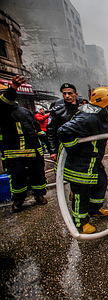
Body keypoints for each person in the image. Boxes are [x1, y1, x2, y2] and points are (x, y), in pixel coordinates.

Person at [57, 87, 108, 234]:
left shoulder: (101, 115)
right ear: (104, 105)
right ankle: (81, 222)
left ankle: (94, 210)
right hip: (80, 163)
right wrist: (74, 148)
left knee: (101, 182)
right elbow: (63, 132)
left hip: (92, 162)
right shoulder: (87, 118)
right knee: (81, 193)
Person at [0, 75, 47, 211]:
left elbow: (36, 129)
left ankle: (39, 195)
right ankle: (19, 200)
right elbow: (3, 103)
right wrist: (13, 87)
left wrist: (44, 142)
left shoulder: (25, 112)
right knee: (17, 177)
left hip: (33, 150)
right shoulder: (2, 113)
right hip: (14, 153)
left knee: (38, 174)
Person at [46, 83, 81, 162]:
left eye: (70, 93)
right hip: (64, 148)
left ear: (76, 94)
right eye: (64, 93)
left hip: (83, 146)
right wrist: (53, 151)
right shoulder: (57, 111)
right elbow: (51, 132)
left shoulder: (84, 110)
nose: (67, 96)